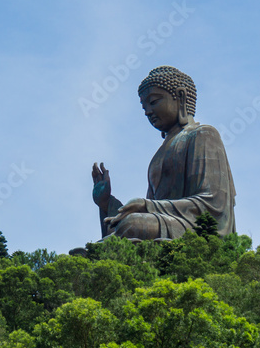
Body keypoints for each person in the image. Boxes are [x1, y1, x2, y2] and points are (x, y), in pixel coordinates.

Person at [92, 66, 236, 241]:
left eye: (153, 102)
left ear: (181, 97)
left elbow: (213, 205)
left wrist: (148, 206)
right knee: (129, 225)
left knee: (133, 225)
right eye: (144, 107)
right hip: (167, 222)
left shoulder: (203, 135)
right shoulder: (159, 155)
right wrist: (106, 203)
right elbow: (149, 212)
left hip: (197, 228)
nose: (147, 112)